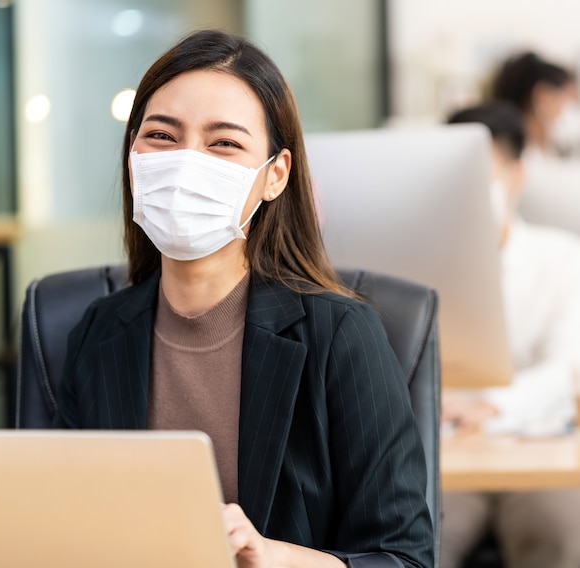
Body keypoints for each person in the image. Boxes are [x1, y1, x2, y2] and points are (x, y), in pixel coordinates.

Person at [52, 29, 433, 568]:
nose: (186, 162)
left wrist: (272, 557)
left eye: (223, 142)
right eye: (161, 135)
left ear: (275, 175)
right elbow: (56, 528)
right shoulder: (99, 331)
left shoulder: (341, 335)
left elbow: (404, 559)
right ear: (132, 153)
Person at [441, 102, 580, 568]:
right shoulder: (417, 257)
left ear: (516, 175)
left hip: (539, 450)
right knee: (421, 543)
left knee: (559, 539)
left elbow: (567, 369)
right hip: (446, 454)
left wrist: (492, 405)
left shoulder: (562, 257)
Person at [489, 51, 580, 236]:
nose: (573, 109)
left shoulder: (549, 153)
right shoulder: (518, 167)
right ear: (543, 97)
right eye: (570, 99)